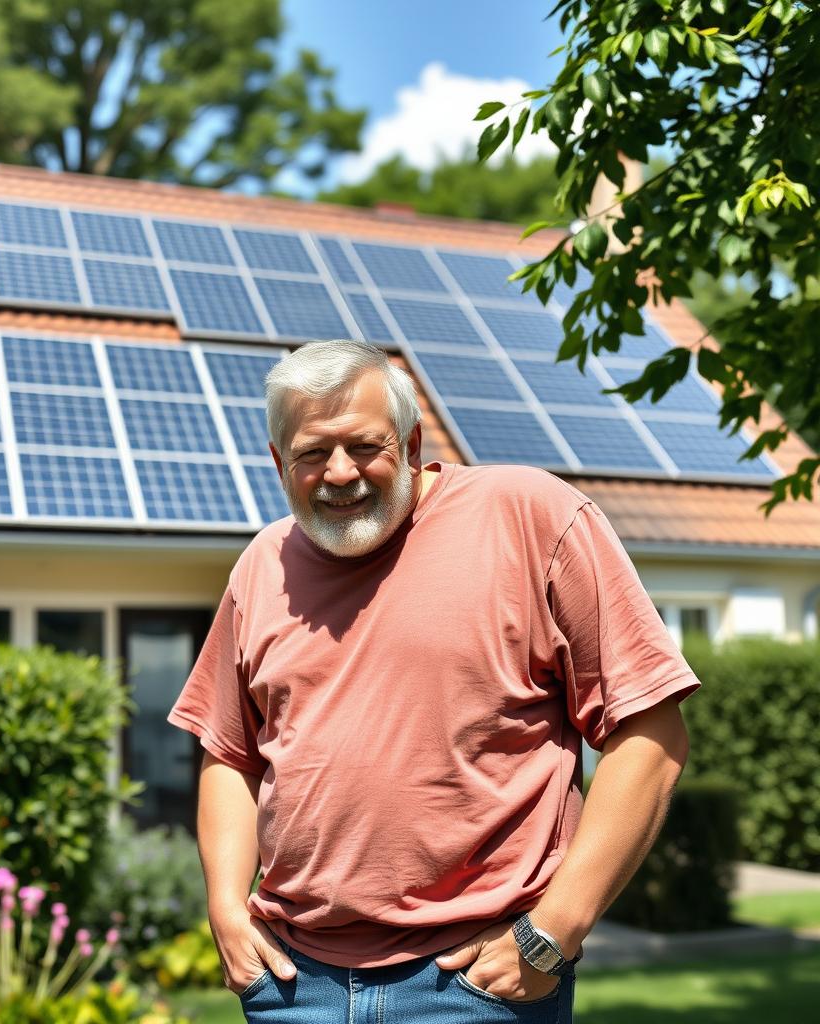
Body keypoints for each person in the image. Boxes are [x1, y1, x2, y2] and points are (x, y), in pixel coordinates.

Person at [166, 339, 698, 1023]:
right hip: (294, 987)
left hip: (475, 986)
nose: (339, 473)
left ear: (413, 442)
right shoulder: (262, 566)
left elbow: (651, 732)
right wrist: (225, 911)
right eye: (310, 453)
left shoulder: (531, 517)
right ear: (278, 462)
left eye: (364, 446)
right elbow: (228, 754)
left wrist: (555, 931)